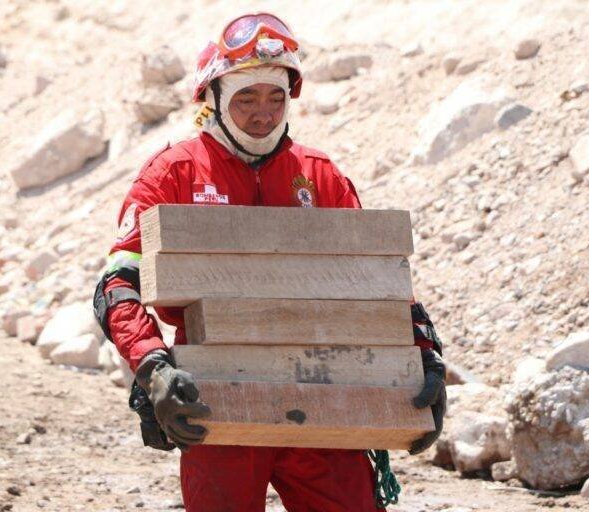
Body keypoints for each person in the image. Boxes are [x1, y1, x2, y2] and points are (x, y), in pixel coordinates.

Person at [93, 12, 446, 512]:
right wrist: (153, 368)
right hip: (214, 391)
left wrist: (424, 352)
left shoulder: (320, 176)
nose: (263, 112)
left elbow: (379, 282)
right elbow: (116, 287)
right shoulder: (173, 174)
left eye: (275, 97)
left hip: (327, 387)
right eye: (246, 98)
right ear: (213, 99)